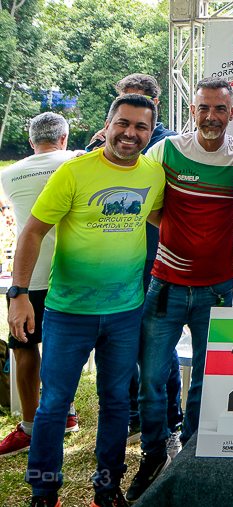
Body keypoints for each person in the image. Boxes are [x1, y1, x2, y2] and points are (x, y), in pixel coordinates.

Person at [7, 95, 164, 507]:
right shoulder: (74, 171)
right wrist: (18, 293)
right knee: (53, 404)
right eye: (123, 123)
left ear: (151, 132)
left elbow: (158, 217)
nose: (130, 133)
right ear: (107, 125)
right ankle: (44, 492)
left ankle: (107, 488)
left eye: (141, 127)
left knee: (116, 402)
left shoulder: (153, 173)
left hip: (125, 312)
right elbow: (33, 231)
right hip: (69, 311)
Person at [126, 77, 233, 503]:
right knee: (151, 377)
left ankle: (193, 452)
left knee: (208, 376)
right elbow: (147, 203)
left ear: (232, 113)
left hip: (217, 287)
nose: (211, 117)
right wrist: (174, 237)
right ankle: (154, 454)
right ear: (192, 111)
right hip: (167, 284)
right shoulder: (167, 151)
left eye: (220, 109)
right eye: (204, 108)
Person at [89, 73, 183, 454]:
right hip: (111, 259)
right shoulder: (105, 139)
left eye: (138, 100)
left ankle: (171, 416)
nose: (129, 125)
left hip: (152, 257)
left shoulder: (169, 143)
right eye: (123, 105)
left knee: (156, 339)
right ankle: (131, 413)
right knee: (113, 337)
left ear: (154, 105)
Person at [0, 113, 79, 460]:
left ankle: (31, 426)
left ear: (31, 142)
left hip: (27, 276)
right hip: (72, 274)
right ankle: (68, 412)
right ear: (64, 138)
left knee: (24, 348)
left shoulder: (9, 174)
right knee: (69, 348)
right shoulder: (77, 161)